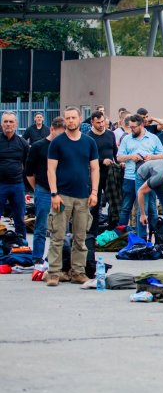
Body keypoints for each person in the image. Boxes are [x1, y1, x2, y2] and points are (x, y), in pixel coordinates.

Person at [45, 107, 99, 286]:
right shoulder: (57, 143)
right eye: (67, 118)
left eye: (73, 118)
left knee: (80, 238)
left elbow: (95, 168)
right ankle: (54, 273)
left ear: (80, 119)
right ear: (65, 120)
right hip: (62, 196)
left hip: (83, 197)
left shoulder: (89, 142)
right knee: (57, 237)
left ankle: (78, 272)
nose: (70, 121)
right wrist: (54, 193)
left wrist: (94, 192)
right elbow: (51, 169)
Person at [116, 114, 163, 231]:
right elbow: (118, 157)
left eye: (134, 127)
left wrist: (151, 157)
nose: (131, 130)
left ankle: (154, 234)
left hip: (148, 178)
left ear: (142, 125)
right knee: (126, 207)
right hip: (130, 177)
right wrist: (130, 157)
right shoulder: (127, 139)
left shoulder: (153, 138)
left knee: (151, 208)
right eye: (130, 127)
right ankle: (121, 234)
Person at [25, 117, 64, 263]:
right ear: (52, 130)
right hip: (43, 189)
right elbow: (29, 172)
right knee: (41, 226)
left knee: (60, 226)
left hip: (61, 190)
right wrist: (37, 188)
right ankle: (37, 258)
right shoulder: (38, 146)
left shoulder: (64, 146)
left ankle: (57, 258)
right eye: (59, 134)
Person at [87, 110, 118, 231]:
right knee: (95, 203)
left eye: (102, 122)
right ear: (92, 122)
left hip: (110, 173)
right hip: (95, 173)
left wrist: (119, 163)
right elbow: (87, 157)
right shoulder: (89, 136)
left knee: (113, 202)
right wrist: (101, 161)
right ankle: (93, 231)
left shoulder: (110, 134)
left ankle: (112, 229)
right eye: (98, 122)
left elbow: (115, 152)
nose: (101, 125)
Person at [0, 112, 29, 237]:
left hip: (17, 185)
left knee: (19, 219)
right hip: (1, 185)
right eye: (5, 121)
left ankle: (22, 243)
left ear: (16, 124)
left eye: (11, 121)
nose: (8, 124)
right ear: (1, 124)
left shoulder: (23, 143)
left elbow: (27, 165)